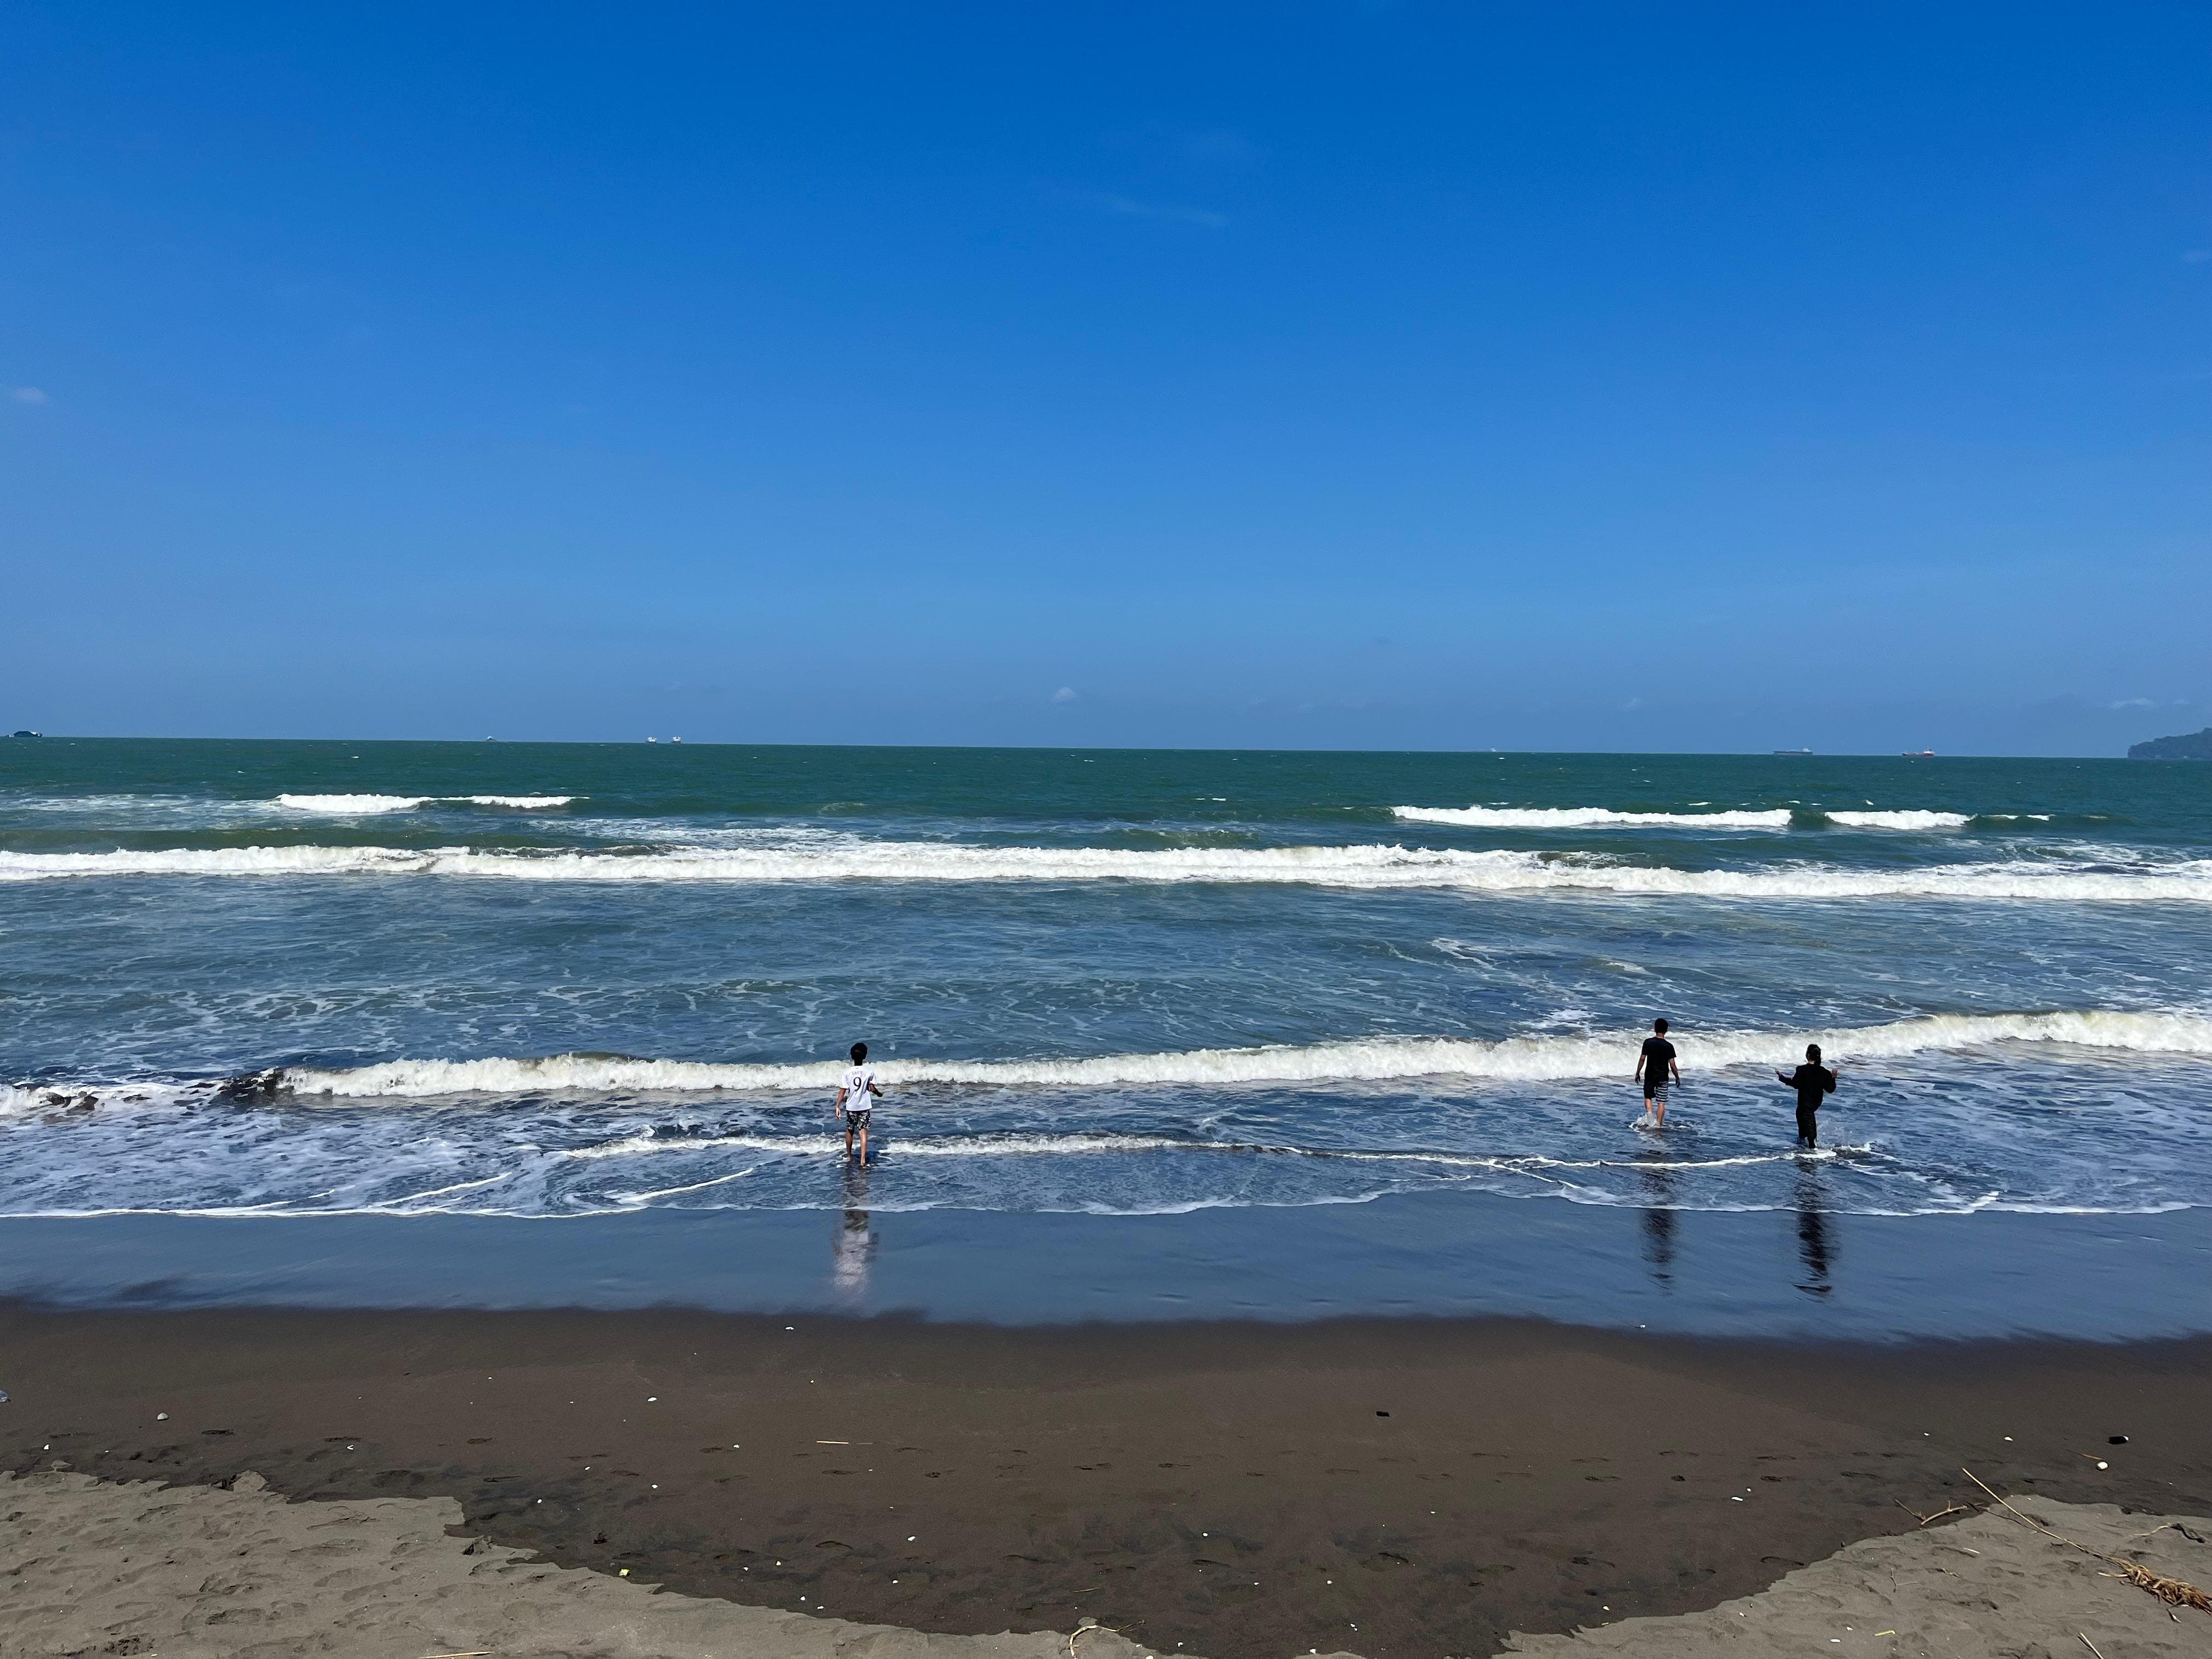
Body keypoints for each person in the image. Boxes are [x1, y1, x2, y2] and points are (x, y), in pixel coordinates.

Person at [1776, 1043, 1838, 1148]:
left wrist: (1782, 1077)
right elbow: (1831, 1089)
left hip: (1804, 1107)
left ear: (1808, 1055)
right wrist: (1833, 1078)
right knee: (1805, 1137)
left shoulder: (1802, 1070)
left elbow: (1795, 1084)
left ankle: (1809, 1158)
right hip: (1812, 1106)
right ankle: (1805, 1156)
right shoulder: (1824, 1072)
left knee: (1809, 1140)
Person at [835, 1042, 883, 1163]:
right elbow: (872, 1088)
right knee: (863, 1133)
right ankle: (862, 1160)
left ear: (852, 1057)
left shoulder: (847, 1072)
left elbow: (843, 1091)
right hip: (864, 1106)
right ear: (865, 1056)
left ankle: (849, 1156)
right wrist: (879, 1094)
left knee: (850, 1130)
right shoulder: (869, 1072)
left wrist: (838, 1106)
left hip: (851, 1106)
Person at [1634, 1018, 1679, 1127]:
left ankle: (1650, 1118)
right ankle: (1658, 1125)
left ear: (1654, 1028)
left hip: (1650, 1075)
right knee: (1661, 1102)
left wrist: (1638, 1072)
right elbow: (1672, 1065)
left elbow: (1642, 1059)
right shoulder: (1669, 1046)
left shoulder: (1648, 1042)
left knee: (1648, 1097)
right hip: (1663, 1077)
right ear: (1667, 1030)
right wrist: (1677, 1077)